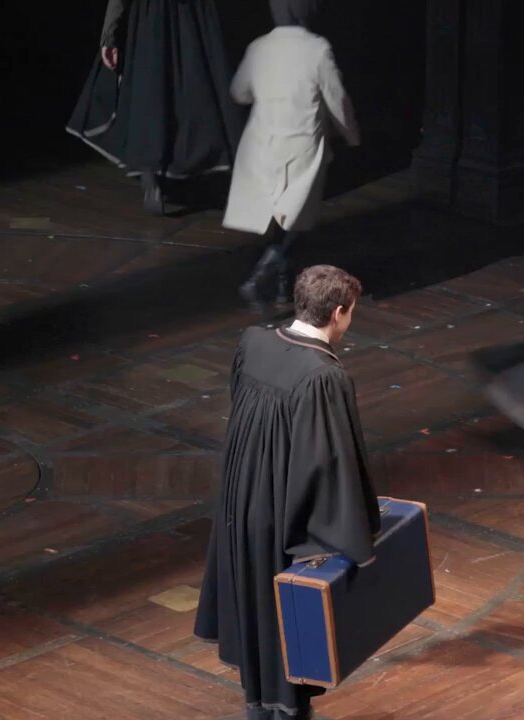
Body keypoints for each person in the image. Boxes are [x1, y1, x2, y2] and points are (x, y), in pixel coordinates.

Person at [194, 264, 380, 720]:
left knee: (253, 606)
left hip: (241, 495)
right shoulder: (323, 376)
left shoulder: (254, 342)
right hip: (280, 510)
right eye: (351, 313)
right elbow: (329, 463)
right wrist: (355, 529)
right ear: (337, 313)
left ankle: (258, 706)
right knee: (283, 622)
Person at [225, 0, 361, 306]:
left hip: (263, 142)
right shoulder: (317, 49)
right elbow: (337, 99)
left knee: (278, 218)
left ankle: (282, 286)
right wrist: (351, 135)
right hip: (302, 145)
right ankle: (263, 274)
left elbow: (239, 91)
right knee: (296, 221)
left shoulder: (259, 47)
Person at [66, 0, 243, 214]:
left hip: (154, 16)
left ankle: (151, 172)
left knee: (150, 93)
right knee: (188, 91)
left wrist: (109, 35)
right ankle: (188, 167)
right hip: (187, 15)